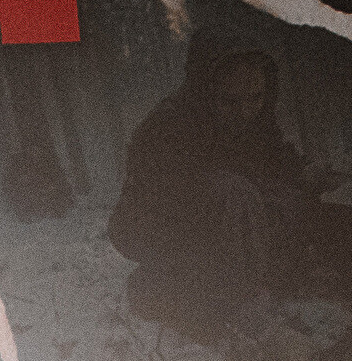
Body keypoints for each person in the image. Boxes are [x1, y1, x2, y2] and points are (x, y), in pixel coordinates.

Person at [105, 32, 327, 338]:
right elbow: (159, 203)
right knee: (234, 193)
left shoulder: (252, 120)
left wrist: (305, 173)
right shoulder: (168, 127)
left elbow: (277, 160)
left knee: (286, 194)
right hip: (159, 228)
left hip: (220, 223)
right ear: (206, 91)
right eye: (231, 101)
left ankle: (272, 277)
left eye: (256, 98)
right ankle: (205, 294)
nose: (246, 110)